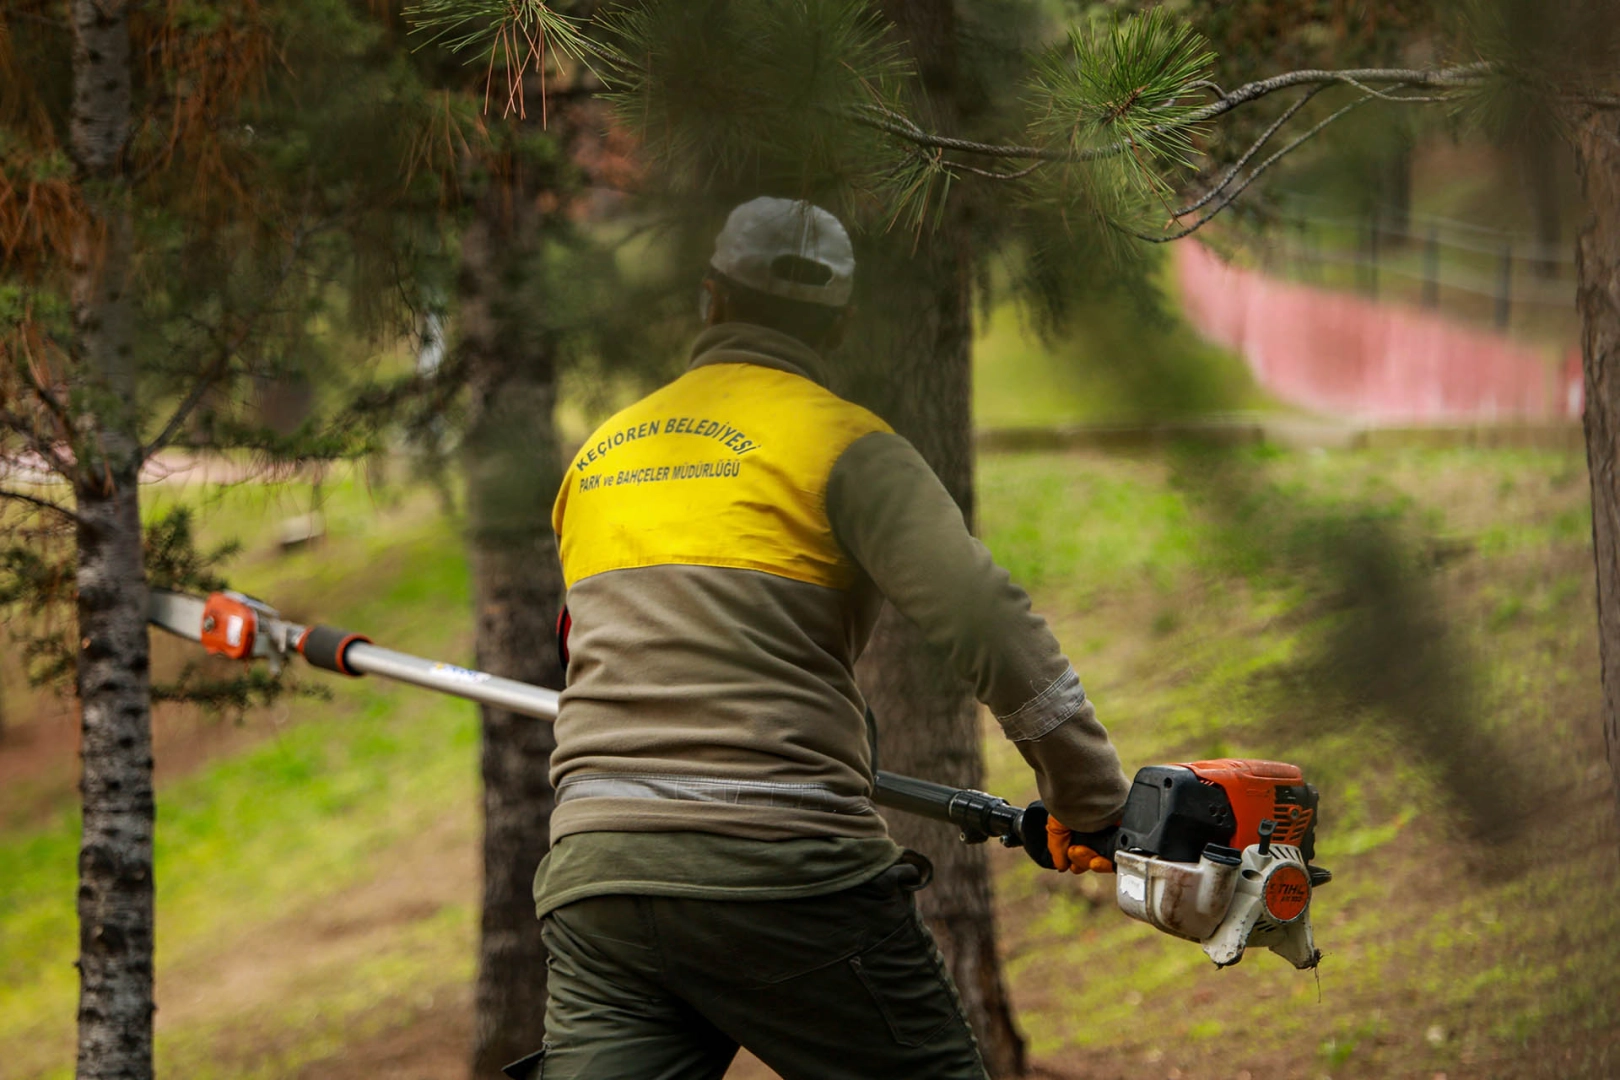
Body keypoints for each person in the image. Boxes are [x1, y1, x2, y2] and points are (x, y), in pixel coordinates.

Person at [521, 197, 1130, 1080]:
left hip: (597, 876)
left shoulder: (600, 456)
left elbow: (581, 651)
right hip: (784, 868)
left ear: (710, 299)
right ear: (841, 322)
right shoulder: (848, 445)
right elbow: (989, 624)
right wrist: (1092, 802)